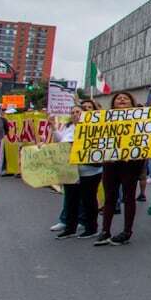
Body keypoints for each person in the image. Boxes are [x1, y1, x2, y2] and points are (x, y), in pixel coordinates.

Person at [95, 92, 143, 246]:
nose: (122, 99)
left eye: (126, 98)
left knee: (129, 197)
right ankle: (105, 231)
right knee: (109, 197)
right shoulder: (104, 119)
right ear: (113, 103)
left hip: (131, 163)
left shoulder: (141, 117)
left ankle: (127, 232)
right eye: (118, 98)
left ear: (132, 103)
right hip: (110, 162)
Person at [54, 102, 102, 239]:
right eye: (73, 112)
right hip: (70, 171)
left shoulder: (94, 128)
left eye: (78, 112)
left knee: (88, 200)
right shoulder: (69, 128)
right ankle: (70, 228)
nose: (75, 114)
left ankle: (91, 228)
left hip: (89, 171)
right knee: (71, 200)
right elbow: (60, 142)